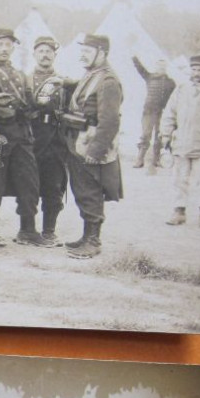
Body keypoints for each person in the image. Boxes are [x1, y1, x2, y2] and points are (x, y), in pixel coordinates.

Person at [0, 28, 42, 247]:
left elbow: (30, 104)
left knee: (29, 182)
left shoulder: (20, 75)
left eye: (8, 45)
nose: (4, 49)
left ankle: (28, 230)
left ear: (13, 47)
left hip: (21, 135)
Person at [61, 33, 124, 260]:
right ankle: (86, 236)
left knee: (91, 191)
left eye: (88, 51)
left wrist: (96, 150)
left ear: (102, 53)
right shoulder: (92, 75)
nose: (82, 56)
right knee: (81, 190)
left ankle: (93, 240)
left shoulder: (108, 81)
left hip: (90, 145)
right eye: (82, 51)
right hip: (78, 143)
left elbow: (110, 120)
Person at [160, 54, 200, 229]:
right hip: (181, 144)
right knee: (179, 179)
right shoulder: (181, 89)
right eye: (194, 69)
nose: (196, 73)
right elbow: (169, 114)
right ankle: (179, 212)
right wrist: (166, 135)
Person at [30, 36, 69, 246]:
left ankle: (48, 230)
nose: (45, 55)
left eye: (49, 51)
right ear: (34, 54)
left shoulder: (64, 82)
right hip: (33, 139)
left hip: (55, 141)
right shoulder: (25, 80)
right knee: (29, 186)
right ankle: (27, 230)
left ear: (54, 55)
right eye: (41, 51)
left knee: (53, 187)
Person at [131, 55, 176, 171]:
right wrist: (134, 57)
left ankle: (156, 160)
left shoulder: (171, 83)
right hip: (149, 111)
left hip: (162, 112)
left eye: (163, 66)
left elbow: (174, 98)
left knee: (159, 136)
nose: (161, 68)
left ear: (166, 68)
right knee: (146, 135)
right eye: (159, 66)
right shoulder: (149, 77)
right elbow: (140, 69)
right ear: (156, 67)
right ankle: (139, 159)